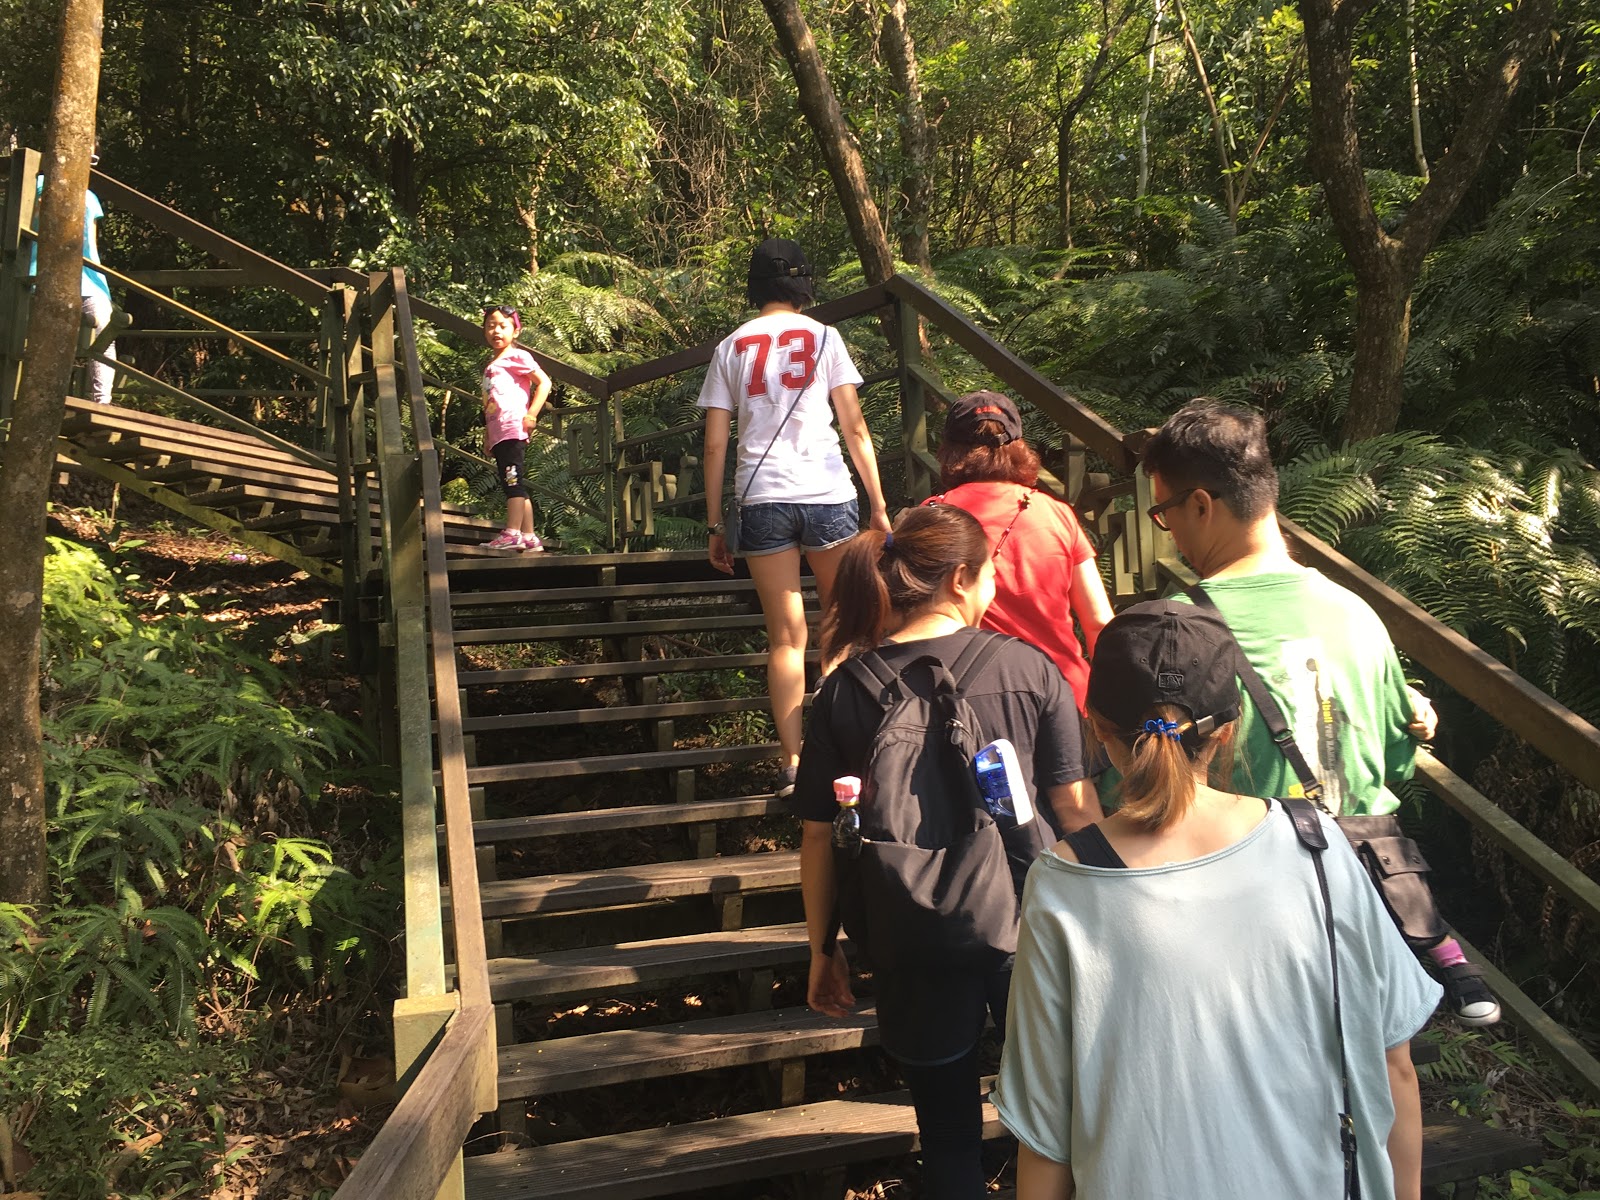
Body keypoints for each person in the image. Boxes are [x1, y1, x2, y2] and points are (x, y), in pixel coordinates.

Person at [993, 599, 1440, 1200]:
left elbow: (1046, 1135)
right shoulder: (1317, 845)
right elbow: (1393, 1066)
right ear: (1231, 727)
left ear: (1094, 724)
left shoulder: (1065, 882)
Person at [1139, 397, 1499, 1025]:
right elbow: (1393, 764)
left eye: (1162, 512)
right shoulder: (1357, 613)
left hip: (1240, 914)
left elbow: (1144, 786)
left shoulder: (1174, 631)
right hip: (1359, 903)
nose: (1167, 529)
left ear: (1199, 505)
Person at [791, 504, 1101, 1200]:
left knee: (947, 1136)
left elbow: (817, 832)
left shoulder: (845, 689)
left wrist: (823, 948)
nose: (992, 587)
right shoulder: (1029, 669)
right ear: (961, 578)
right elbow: (1076, 808)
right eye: (990, 574)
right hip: (1030, 919)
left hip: (907, 927)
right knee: (1060, 1119)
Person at [699, 238, 891, 796]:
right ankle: (847, 755)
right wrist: (878, 504)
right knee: (842, 623)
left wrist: (715, 524)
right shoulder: (826, 337)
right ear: (804, 284)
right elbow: (854, 426)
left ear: (754, 287)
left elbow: (715, 444)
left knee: (785, 638)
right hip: (827, 492)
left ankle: (792, 763)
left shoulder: (730, 347)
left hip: (761, 498)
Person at [928, 390, 1113, 710]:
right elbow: (1099, 622)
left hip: (973, 706)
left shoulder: (933, 517)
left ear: (949, 451)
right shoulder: (1056, 512)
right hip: (1064, 696)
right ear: (1018, 446)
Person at [29, 151, 117, 405]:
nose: (88, 163)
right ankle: (45, 398)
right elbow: (34, 219)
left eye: (93, 159)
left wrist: (99, 277)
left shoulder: (91, 197)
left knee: (105, 334)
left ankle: (102, 402)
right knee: (49, 337)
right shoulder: (39, 184)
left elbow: (92, 243)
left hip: (90, 279)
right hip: (43, 273)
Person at [480, 304, 552, 552]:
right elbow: (489, 403)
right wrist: (488, 434)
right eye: (491, 326)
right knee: (514, 480)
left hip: (512, 427)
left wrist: (531, 414)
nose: (496, 331)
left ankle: (512, 534)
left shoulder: (517, 356)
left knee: (512, 481)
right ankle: (529, 536)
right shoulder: (493, 364)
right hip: (499, 431)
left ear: (516, 331)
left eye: (503, 326)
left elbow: (544, 383)